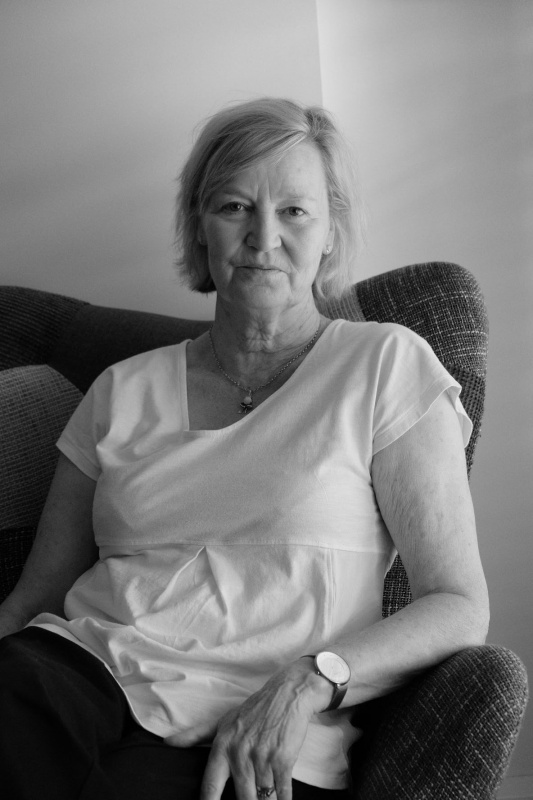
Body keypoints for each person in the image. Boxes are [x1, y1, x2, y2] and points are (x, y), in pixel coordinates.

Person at [0, 97, 489, 800]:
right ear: (199, 226)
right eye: (234, 206)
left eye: (294, 211)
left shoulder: (385, 364)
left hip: (249, 722)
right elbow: (34, 598)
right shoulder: (118, 391)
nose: (263, 237)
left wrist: (310, 681)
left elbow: (457, 603)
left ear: (330, 230)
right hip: (76, 675)